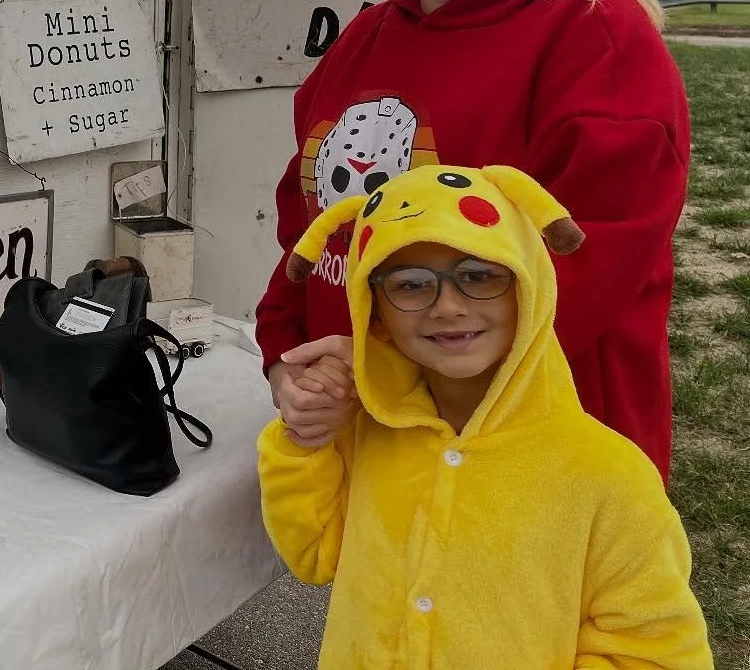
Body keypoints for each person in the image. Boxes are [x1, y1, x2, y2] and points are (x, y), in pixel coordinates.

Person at [254, 0, 689, 481]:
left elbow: (593, 259)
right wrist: (289, 360)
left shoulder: (592, 30)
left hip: (537, 447)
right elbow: (309, 228)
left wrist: (383, 368)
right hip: (383, 437)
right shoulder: (365, 39)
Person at [258, 163, 711, 668]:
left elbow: (656, 654)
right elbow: (314, 555)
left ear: (529, 287)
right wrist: (309, 437)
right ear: (374, 311)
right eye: (410, 283)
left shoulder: (610, 477)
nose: (448, 306)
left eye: (479, 276)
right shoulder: (366, 433)